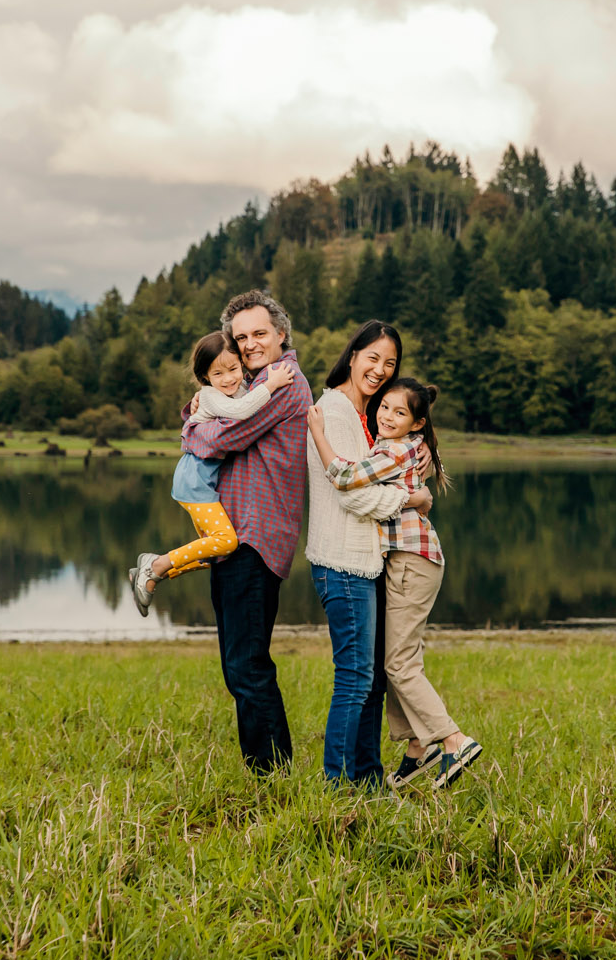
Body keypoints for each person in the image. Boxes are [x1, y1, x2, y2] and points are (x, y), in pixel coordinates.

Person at [308, 376, 482, 789]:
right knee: (396, 657)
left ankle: (454, 740)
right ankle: (419, 750)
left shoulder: (391, 449)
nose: (387, 415)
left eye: (399, 412)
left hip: (410, 561)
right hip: (410, 561)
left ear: (416, 423)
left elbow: (346, 479)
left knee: (399, 663)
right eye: (384, 406)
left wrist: (317, 432)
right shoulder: (404, 446)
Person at [178, 291, 313, 773]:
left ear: (281, 334)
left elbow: (223, 439)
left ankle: (273, 775)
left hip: (256, 539)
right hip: (236, 539)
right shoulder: (246, 388)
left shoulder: (286, 385)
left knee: (248, 664)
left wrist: (193, 427)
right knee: (238, 662)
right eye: (241, 338)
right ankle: (267, 770)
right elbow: (211, 432)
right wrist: (200, 417)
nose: (251, 344)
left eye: (259, 333)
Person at [303, 321, 433, 786]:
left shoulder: (371, 413)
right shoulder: (335, 412)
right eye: (372, 358)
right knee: (355, 679)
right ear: (353, 355)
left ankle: (369, 779)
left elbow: (395, 460)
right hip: (342, 563)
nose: (380, 370)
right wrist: (413, 500)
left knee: (373, 680)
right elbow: (352, 497)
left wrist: (425, 460)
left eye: (390, 363)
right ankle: (337, 784)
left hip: (367, 561)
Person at [127, 331, 297, 616]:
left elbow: (244, 396)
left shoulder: (238, 386)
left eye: (232, 369)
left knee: (215, 553)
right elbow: (243, 410)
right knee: (226, 542)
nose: (228, 378)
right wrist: (273, 384)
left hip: (201, 479)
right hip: (194, 480)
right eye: (218, 374)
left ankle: (150, 572)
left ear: (241, 364)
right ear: (205, 378)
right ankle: (156, 565)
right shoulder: (209, 396)